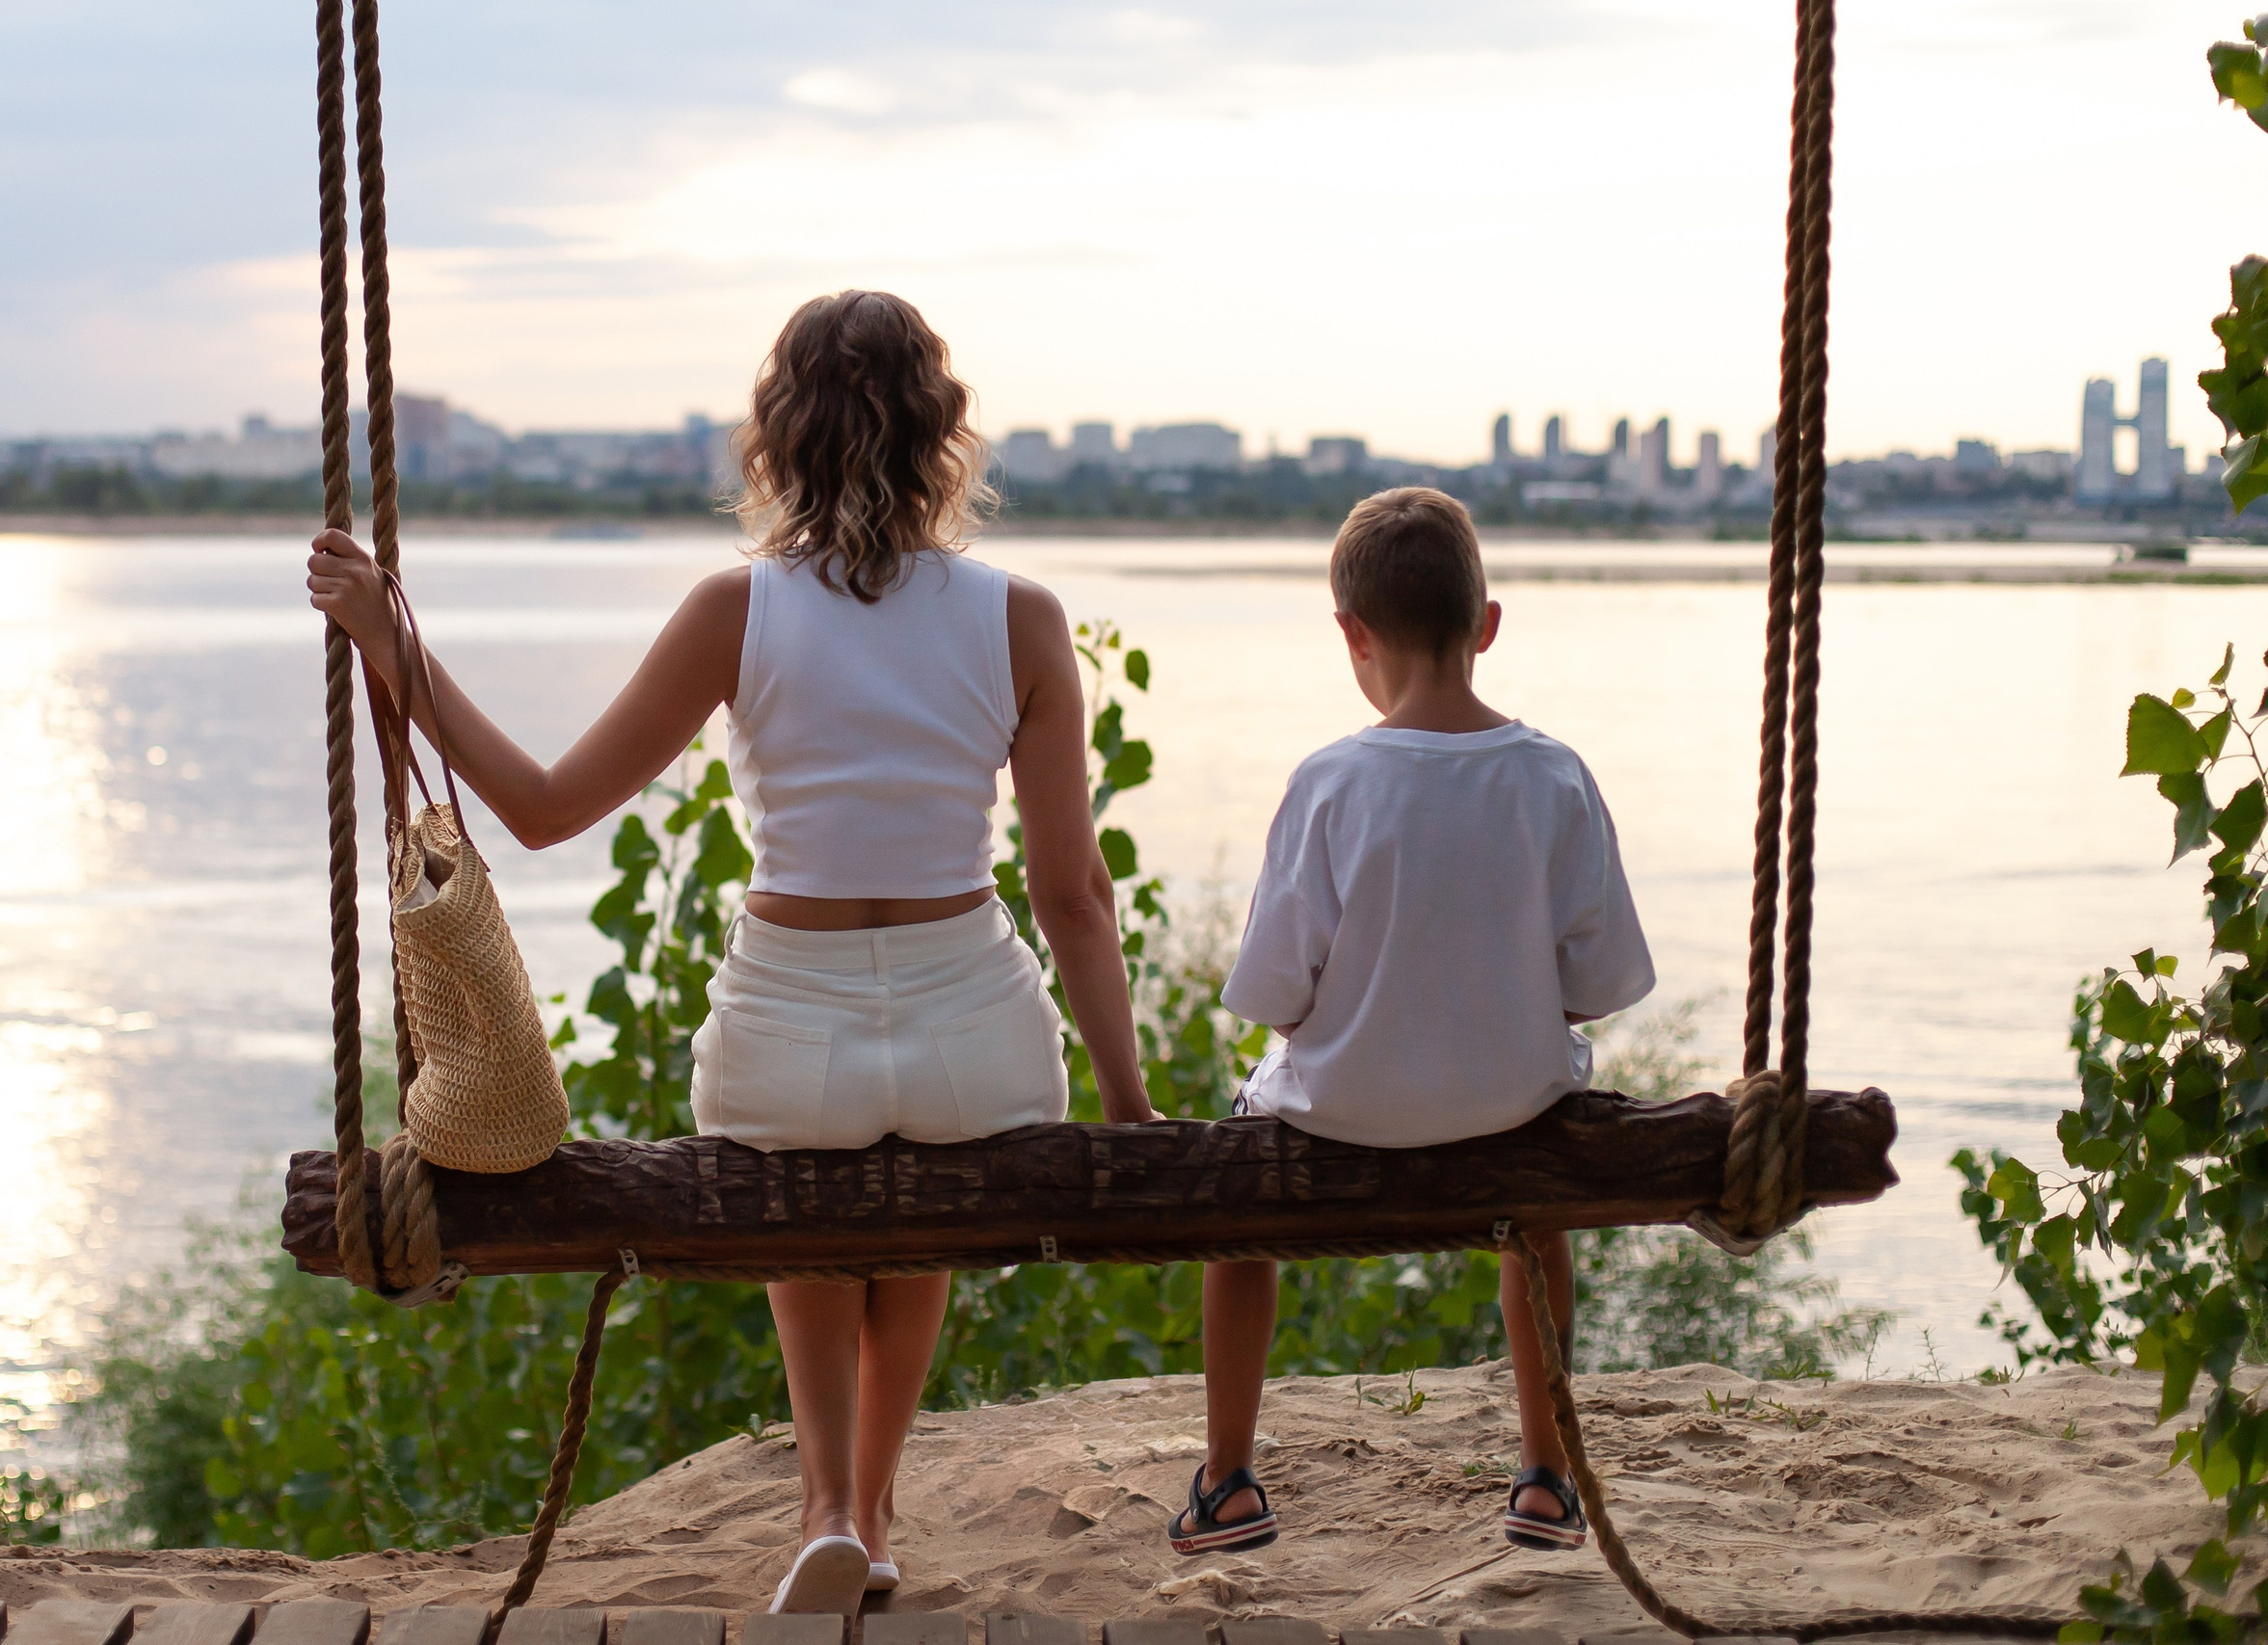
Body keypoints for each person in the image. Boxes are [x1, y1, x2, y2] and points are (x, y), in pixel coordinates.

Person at [307, 290, 1154, 1616]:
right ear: (944, 434)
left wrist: (390, 641)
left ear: (777, 439)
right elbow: (1074, 893)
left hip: (790, 1035)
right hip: (972, 1041)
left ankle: (825, 1505)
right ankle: (873, 1516)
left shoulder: (734, 609)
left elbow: (537, 806)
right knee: (916, 1204)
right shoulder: (1023, 617)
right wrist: (1127, 1103)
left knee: (806, 1203)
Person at [1169, 487, 1655, 1560]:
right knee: (1541, 1221)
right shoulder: (1554, 776)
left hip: (1339, 1112)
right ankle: (1543, 1475)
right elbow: (1596, 982)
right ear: (1485, 625)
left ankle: (1229, 1479)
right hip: (1511, 1110)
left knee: (1234, 1203)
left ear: (1351, 635)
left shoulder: (1331, 782)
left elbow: (1274, 996)